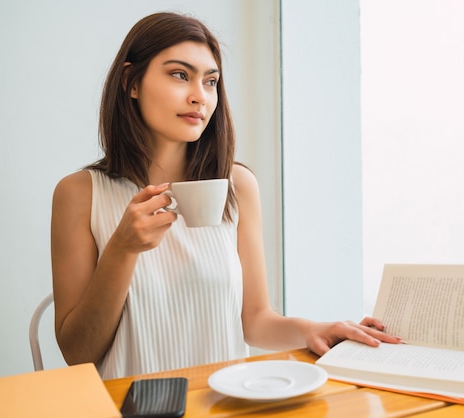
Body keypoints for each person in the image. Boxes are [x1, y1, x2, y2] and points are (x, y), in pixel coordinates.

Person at [51, 11, 400, 380]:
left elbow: (255, 320)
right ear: (130, 82)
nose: (199, 96)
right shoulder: (79, 194)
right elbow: (78, 354)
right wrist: (122, 249)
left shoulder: (238, 185)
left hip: (226, 401)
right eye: (180, 75)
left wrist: (313, 330)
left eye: (211, 81)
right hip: (131, 405)